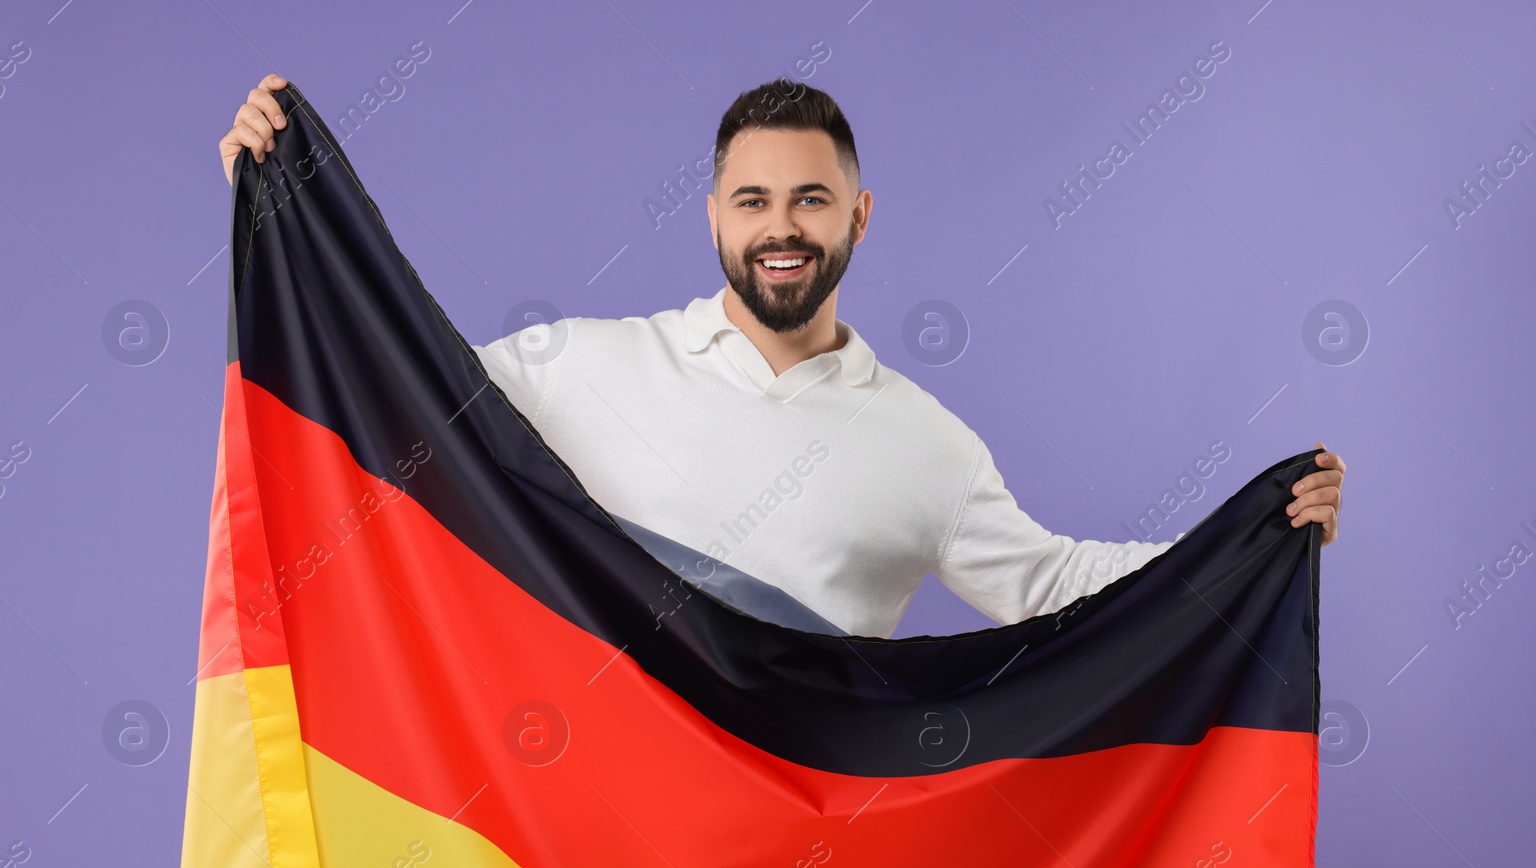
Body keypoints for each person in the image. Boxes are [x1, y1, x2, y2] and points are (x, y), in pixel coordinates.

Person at [219, 73, 1346, 640]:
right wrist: (284, 214)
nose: (782, 226)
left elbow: (1049, 583)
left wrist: (1248, 535)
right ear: (711, 214)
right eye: (754, 199)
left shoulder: (929, 445)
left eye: (810, 199)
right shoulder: (576, 365)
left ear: (860, 213)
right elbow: (388, 374)